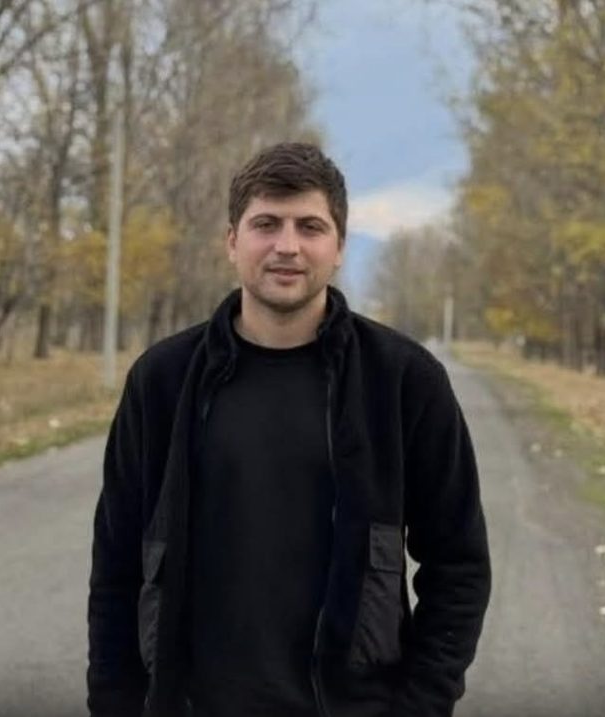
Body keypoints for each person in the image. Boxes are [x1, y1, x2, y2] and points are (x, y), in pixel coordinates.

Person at [87, 142, 491, 717]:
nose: (287, 245)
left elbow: (459, 563)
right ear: (232, 241)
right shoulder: (163, 381)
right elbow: (116, 563)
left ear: (339, 246)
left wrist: (421, 703)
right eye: (266, 224)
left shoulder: (403, 380)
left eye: (310, 226)